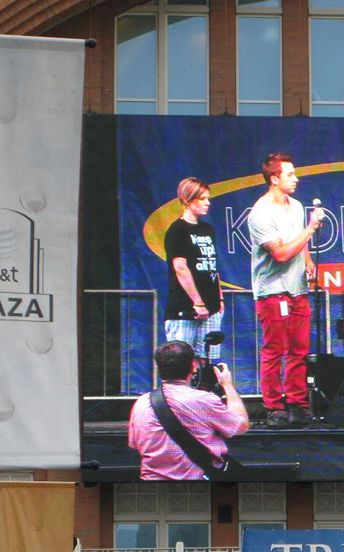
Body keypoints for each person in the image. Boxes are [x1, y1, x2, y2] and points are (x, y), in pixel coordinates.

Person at [248, 152, 323, 428]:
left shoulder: (297, 206)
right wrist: (311, 229)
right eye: (290, 174)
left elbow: (298, 242)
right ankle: (273, 406)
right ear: (274, 178)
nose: (296, 178)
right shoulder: (261, 213)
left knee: (299, 350)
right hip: (272, 291)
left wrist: (308, 260)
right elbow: (279, 254)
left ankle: (297, 403)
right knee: (275, 349)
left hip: (297, 289)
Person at [128, 341, 249, 480]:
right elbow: (241, 426)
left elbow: (136, 445)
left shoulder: (141, 403)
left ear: (158, 368)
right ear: (193, 366)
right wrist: (228, 386)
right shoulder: (203, 400)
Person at [164, 177, 224, 363]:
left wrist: (219, 297)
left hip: (211, 306)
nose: (208, 203)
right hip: (185, 308)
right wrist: (197, 302)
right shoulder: (177, 230)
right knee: (181, 362)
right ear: (188, 200)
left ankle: (203, 391)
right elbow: (180, 268)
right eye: (202, 198)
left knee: (206, 360)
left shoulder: (208, 229)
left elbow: (212, 266)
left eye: (208, 198)